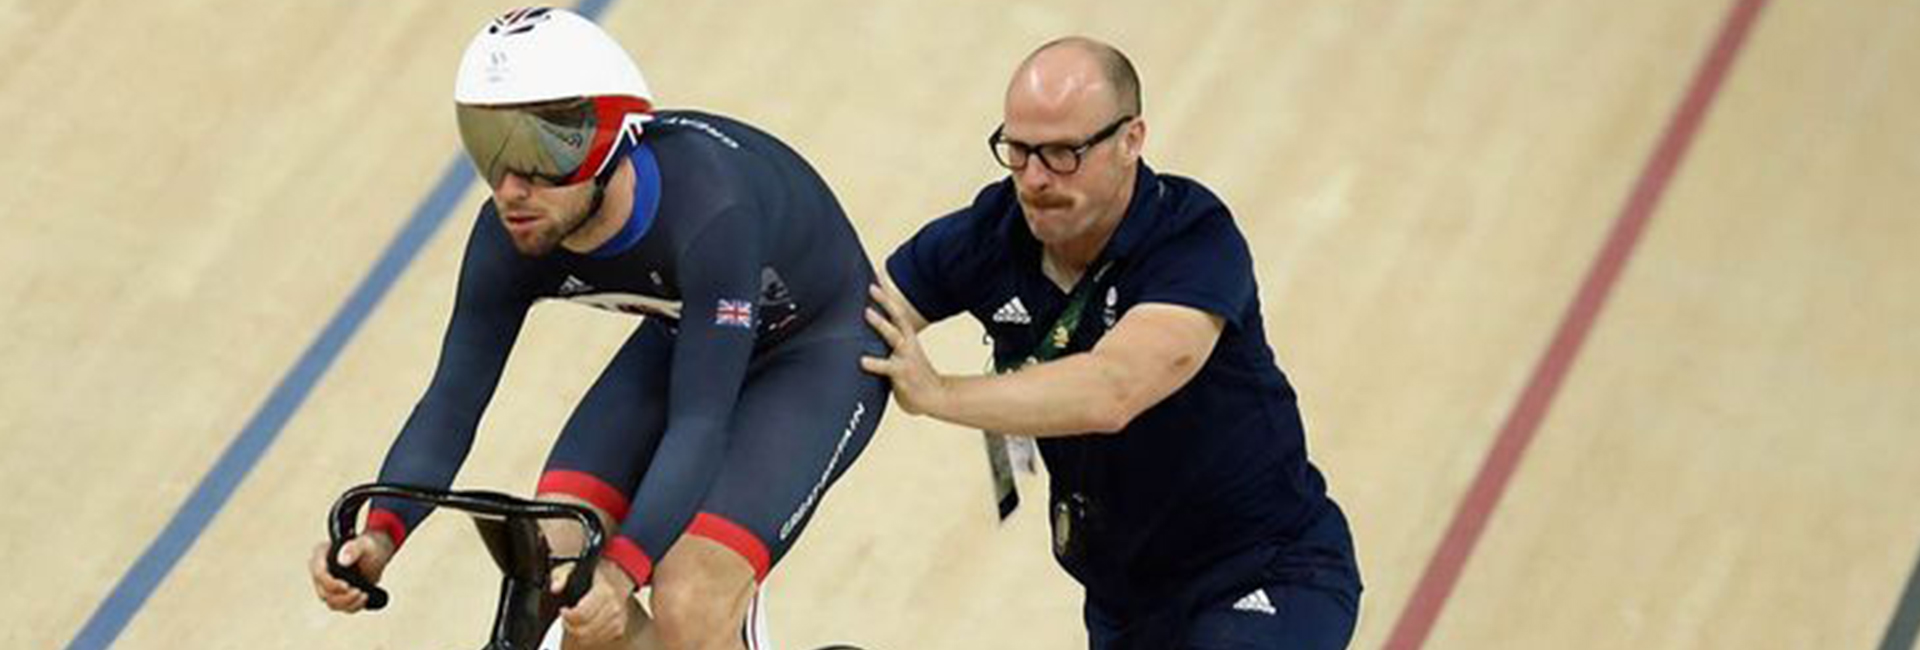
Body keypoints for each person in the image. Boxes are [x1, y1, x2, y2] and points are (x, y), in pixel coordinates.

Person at [306, 7, 889, 650]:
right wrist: (382, 533)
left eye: (540, 151)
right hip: (689, 334)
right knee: (553, 570)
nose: (510, 187)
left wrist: (622, 569)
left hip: (817, 354)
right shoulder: (508, 236)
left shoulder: (710, 211)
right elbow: (450, 403)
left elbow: (701, 424)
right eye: (490, 147)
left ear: (610, 139)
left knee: (686, 597)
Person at [861, 37, 1361, 649]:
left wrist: (939, 392)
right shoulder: (989, 235)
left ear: (1131, 140)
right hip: (1126, 607)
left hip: (1266, 574)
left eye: (1063, 153)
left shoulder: (1194, 241)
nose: (1035, 178)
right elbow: (860, 326)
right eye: (1017, 150)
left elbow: (1113, 389)